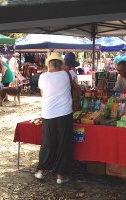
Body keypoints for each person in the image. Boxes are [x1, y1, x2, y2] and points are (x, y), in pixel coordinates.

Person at [34, 52, 73, 184]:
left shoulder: (43, 76)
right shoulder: (67, 74)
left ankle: (42, 170)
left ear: (49, 64)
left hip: (48, 113)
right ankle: (60, 175)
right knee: (63, 143)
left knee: (47, 142)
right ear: (61, 64)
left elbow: (43, 94)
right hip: (64, 113)